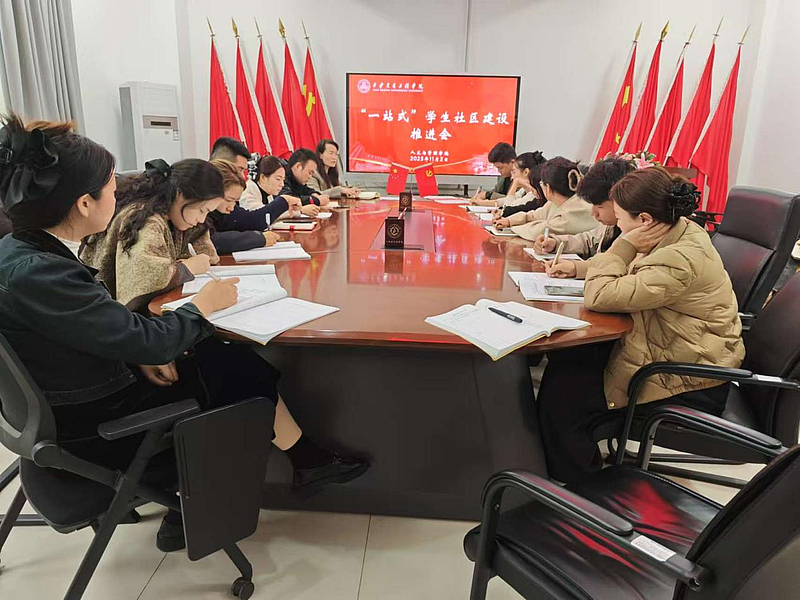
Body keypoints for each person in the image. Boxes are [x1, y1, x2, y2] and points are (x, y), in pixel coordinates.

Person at [0, 114, 368, 551]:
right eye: (112, 187)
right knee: (239, 374)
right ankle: (207, 507)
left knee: (224, 360)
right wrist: (202, 306)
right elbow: (152, 339)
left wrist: (136, 352)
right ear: (84, 203)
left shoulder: (21, 254)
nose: (118, 194)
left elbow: (92, 331)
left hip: (77, 408)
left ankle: (296, 464)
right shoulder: (41, 274)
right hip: (99, 434)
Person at [536, 166, 745, 483]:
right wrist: (578, 269)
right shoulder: (676, 229)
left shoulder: (679, 258)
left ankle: (577, 483)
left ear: (644, 220)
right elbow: (637, 271)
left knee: (566, 395)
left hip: (689, 378)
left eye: (620, 218)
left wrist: (623, 245)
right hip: (668, 346)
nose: (617, 225)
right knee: (569, 358)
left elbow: (600, 295)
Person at [81, 158, 223, 313]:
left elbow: (207, 256)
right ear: (180, 195)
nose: (202, 219)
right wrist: (187, 268)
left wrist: (192, 263)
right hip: (106, 313)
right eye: (202, 210)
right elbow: (145, 276)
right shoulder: (144, 219)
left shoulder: (178, 216)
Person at [537, 156, 635, 278]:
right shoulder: (612, 224)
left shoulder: (636, 231)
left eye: (599, 206)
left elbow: (612, 262)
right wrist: (555, 243)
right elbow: (589, 240)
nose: (593, 213)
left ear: (620, 200)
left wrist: (577, 268)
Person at [494, 156, 597, 241]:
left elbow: (540, 231)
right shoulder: (555, 202)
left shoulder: (576, 209)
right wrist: (509, 221)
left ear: (548, 188)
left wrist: (512, 227)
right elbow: (533, 216)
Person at [206, 159, 282, 254]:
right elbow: (210, 241)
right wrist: (258, 239)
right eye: (229, 200)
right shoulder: (202, 213)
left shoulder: (224, 209)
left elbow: (249, 220)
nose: (231, 208)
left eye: (235, 201)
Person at [239, 155, 319, 218]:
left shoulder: (267, 193)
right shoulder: (248, 193)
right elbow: (263, 214)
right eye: (278, 179)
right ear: (262, 178)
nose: (282, 184)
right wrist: (300, 210)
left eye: (283, 180)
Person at [496, 151, 548, 217]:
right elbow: (504, 202)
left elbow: (507, 210)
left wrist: (515, 183)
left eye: (514, 172)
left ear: (526, 172)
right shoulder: (524, 190)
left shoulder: (534, 194)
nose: (512, 177)